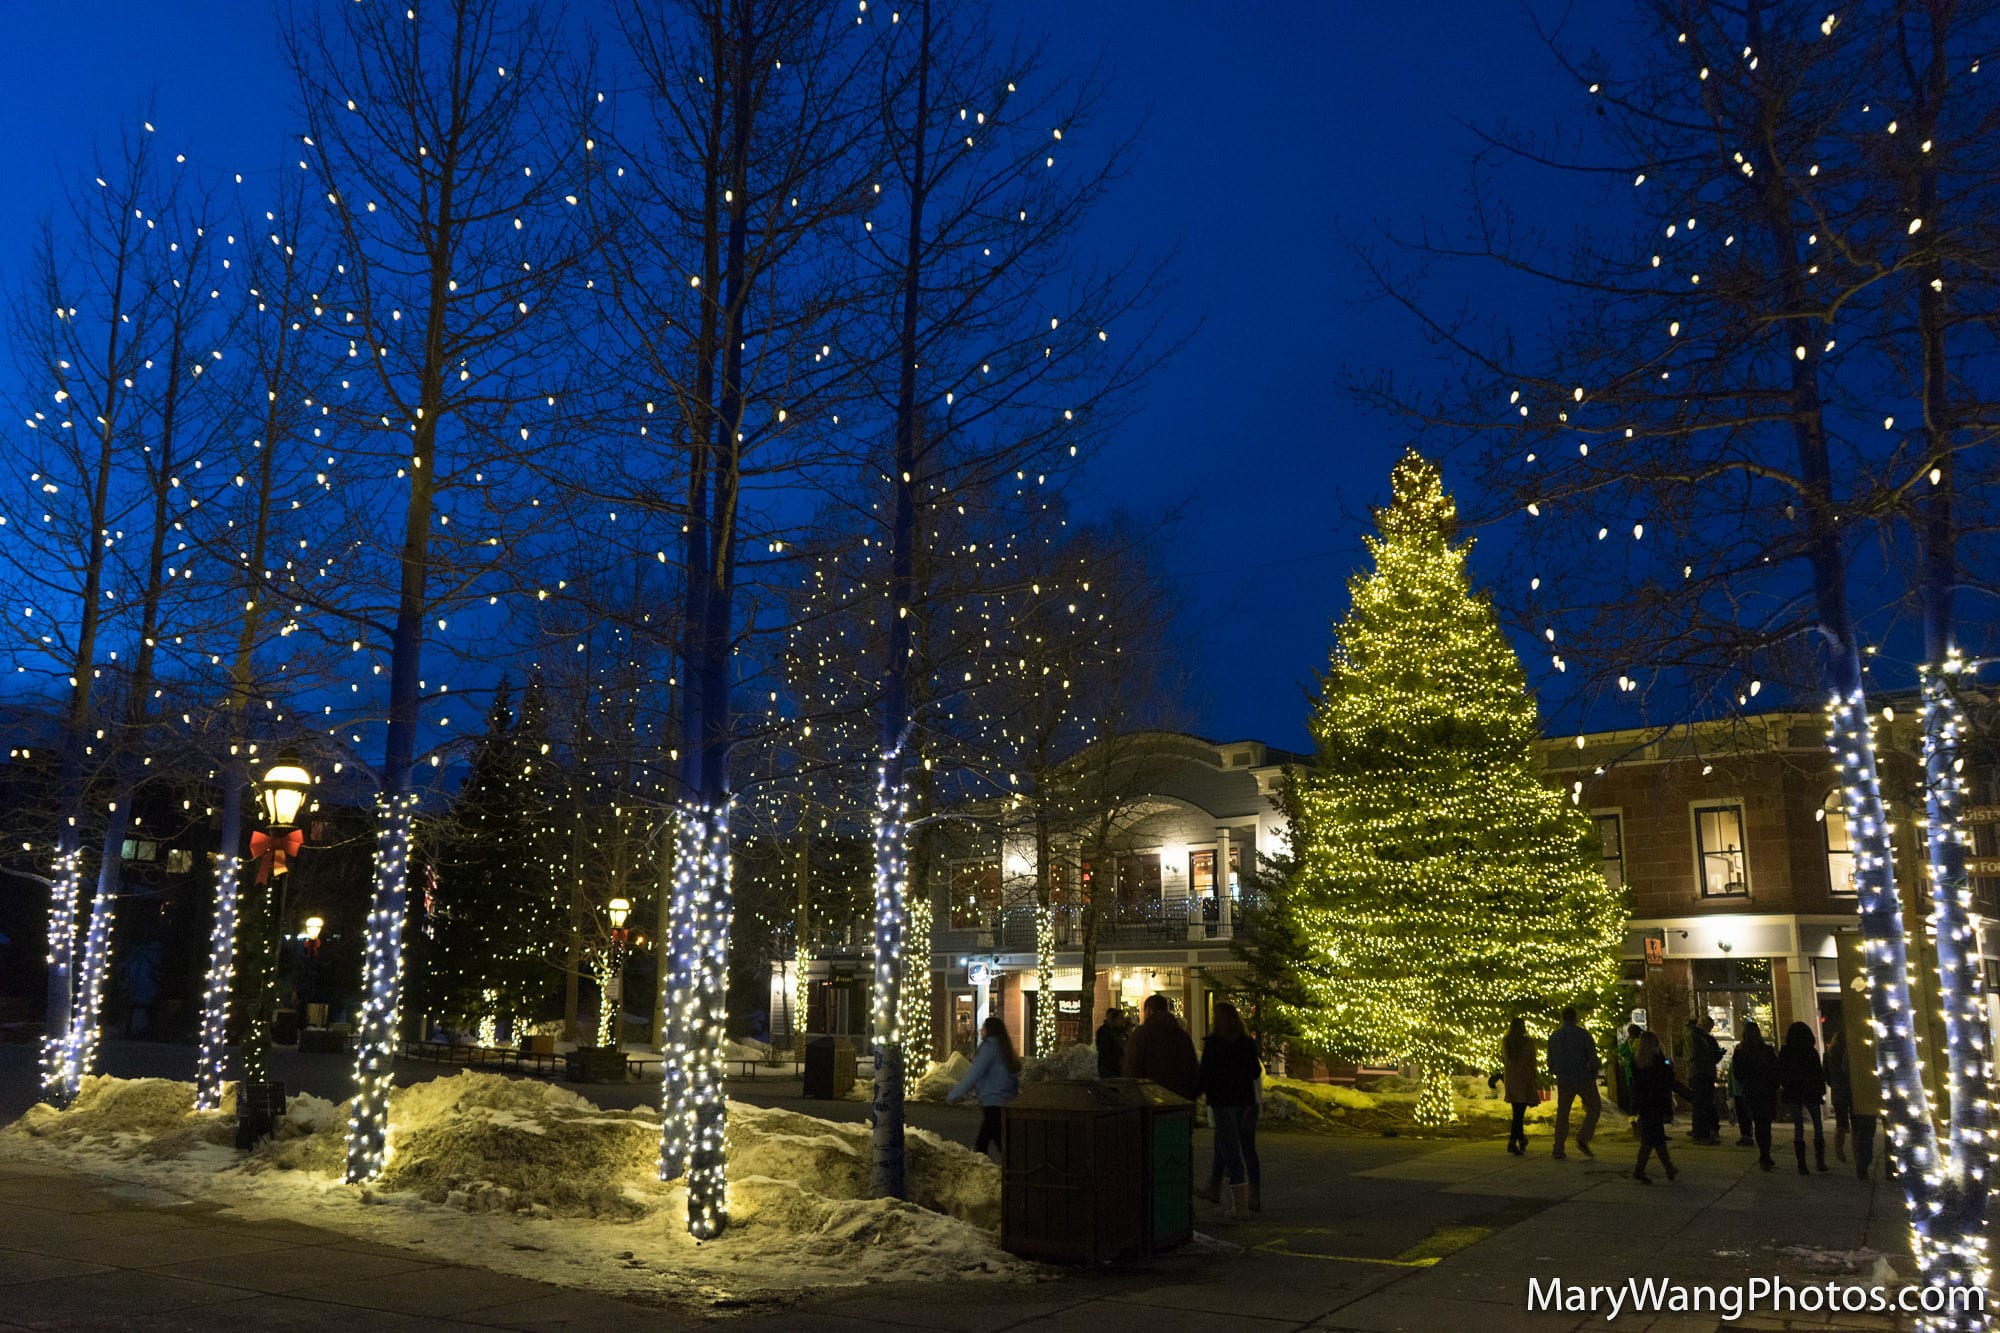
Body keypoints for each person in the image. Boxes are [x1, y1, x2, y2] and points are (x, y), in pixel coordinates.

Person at [1196, 1001, 1264, 1218]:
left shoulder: (1215, 1043)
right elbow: (1255, 1071)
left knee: (1230, 1148)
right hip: (1245, 1101)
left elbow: (1205, 1073)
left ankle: (1240, 1204)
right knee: (1237, 1146)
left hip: (1223, 1101)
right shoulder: (1245, 1042)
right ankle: (1237, 1192)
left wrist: (1194, 1093)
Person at [948, 1016, 1021, 1158]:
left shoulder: (989, 1047)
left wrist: (953, 1094)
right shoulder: (1004, 1048)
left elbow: (974, 1074)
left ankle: (1011, 1173)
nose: (981, 1030)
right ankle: (1008, 1171)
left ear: (989, 1030)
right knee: (989, 1140)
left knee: (987, 1142)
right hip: (1003, 1102)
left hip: (993, 1102)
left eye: (983, 1028)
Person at [1547, 1006, 1602, 1160]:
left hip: (1564, 1079)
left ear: (1562, 1018)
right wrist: (1593, 1071)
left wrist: (1555, 1070)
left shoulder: (1555, 1036)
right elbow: (1592, 1056)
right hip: (1583, 1077)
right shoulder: (1583, 1035)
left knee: (1563, 1113)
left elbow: (1550, 1058)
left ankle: (1558, 1147)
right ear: (1575, 1017)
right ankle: (1583, 1136)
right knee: (1594, 1107)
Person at [1122, 993, 1199, 1100]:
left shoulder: (1142, 1035)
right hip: (1180, 1099)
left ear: (1149, 1010)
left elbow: (1131, 1067)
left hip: (1150, 1101)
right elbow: (1192, 1068)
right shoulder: (1181, 1036)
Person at [1776, 1020, 1829, 1175]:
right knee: (1817, 1125)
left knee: (1799, 1127)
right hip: (1810, 1091)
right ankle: (1820, 1161)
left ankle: (1802, 1164)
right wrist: (1820, 1091)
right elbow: (1818, 1073)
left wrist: (1785, 1086)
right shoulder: (1810, 1051)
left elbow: (1781, 1071)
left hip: (1794, 1091)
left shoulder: (1786, 1051)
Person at [1630, 1031, 1680, 1184]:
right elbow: (1667, 1080)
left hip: (1645, 1104)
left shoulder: (1637, 1062)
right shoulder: (1657, 1061)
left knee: (1654, 1138)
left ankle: (1667, 1168)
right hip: (1655, 1103)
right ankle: (1642, 1169)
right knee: (1652, 1139)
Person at [1730, 1020, 1780, 1170]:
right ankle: (1765, 1154)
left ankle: (1764, 1155)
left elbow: (1737, 1071)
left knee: (1758, 1123)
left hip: (1751, 1091)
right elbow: (1774, 1070)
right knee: (1766, 1124)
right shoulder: (1766, 1050)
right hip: (1766, 1090)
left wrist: (1745, 1083)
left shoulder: (1741, 1051)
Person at [1490, 1017, 1538, 1156]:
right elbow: (1532, 1060)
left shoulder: (1506, 1043)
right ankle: (1512, 1141)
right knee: (1519, 1113)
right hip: (1524, 1077)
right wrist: (1534, 1076)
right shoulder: (1527, 1042)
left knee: (1517, 1111)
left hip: (1511, 1078)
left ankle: (1521, 1139)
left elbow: (1505, 1059)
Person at [1685, 1015, 1724, 1146]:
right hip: (1700, 1074)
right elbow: (1698, 1056)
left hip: (1701, 1073)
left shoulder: (1699, 1036)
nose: (1709, 1030)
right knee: (1701, 1104)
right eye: (1709, 1027)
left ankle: (1703, 1132)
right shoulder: (1696, 1037)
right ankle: (1700, 1134)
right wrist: (1715, 1056)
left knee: (1703, 1104)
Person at [1823, 1023, 1853, 1165]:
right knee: (1856, 1121)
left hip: (1838, 1090)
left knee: (1841, 1122)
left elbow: (1826, 1074)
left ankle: (1839, 1147)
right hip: (1851, 1089)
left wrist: (1832, 1083)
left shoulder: (1829, 1054)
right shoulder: (1851, 1052)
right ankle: (1856, 1149)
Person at [1614, 1023, 1642, 1115]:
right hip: (1636, 1072)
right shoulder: (1639, 1042)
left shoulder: (1633, 1043)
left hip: (1632, 1072)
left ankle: (1634, 1115)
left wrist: (1627, 1042)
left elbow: (1622, 1051)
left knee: (1633, 1095)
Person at [1095, 1007, 1129, 1079]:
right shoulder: (1106, 1033)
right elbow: (1106, 1052)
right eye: (1121, 1018)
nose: (1123, 1020)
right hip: (1110, 1071)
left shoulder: (1122, 1033)